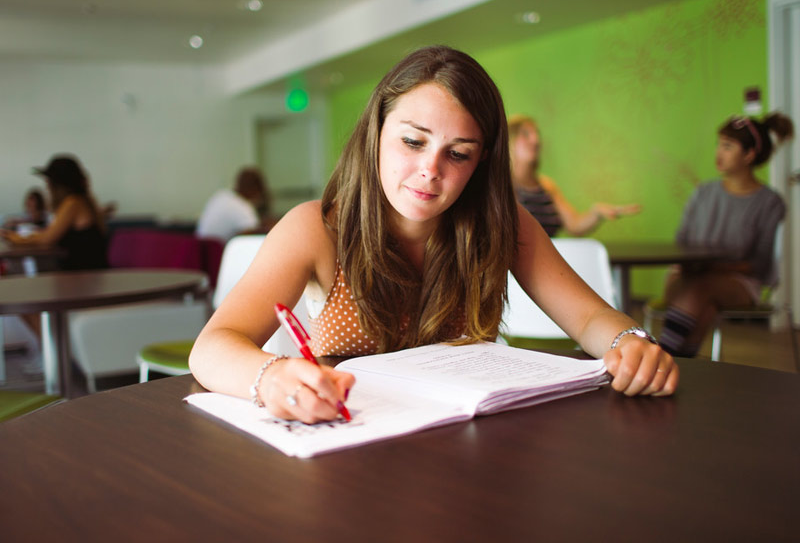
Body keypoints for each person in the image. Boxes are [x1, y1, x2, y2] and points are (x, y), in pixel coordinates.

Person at [189, 45, 678, 425]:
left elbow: (591, 316)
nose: (429, 171)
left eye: (458, 153)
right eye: (412, 141)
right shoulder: (316, 228)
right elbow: (212, 348)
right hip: (349, 442)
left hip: (461, 441)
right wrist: (270, 376)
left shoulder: (501, 224)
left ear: (481, 159)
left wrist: (629, 340)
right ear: (376, 129)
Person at [657, 113, 793, 357]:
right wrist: (692, 265)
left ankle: (663, 356)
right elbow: (681, 243)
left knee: (701, 288)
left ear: (749, 155)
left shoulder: (770, 203)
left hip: (740, 284)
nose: (719, 153)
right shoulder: (703, 193)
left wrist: (714, 268)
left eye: (728, 146)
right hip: (687, 276)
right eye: (719, 144)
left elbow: (760, 265)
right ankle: (678, 362)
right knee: (705, 304)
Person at [508, 114, 641, 236]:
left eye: (536, 133)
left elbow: (574, 225)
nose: (535, 140)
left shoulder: (547, 186)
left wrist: (596, 213)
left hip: (547, 260)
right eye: (525, 134)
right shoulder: (503, 186)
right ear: (509, 141)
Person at [0, 154, 108, 271]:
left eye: (49, 180)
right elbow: (48, 234)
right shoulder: (82, 201)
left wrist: (12, 237)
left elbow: (47, 239)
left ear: (58, 184)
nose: (46, 185)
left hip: (84, 276)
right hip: (86, 274)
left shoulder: (73, 203)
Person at [195, 167, 277, 242]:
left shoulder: (221, 195)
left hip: (201, 253)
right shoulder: (243, 206)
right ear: (256, 189)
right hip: (219, 254)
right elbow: (253, 234)